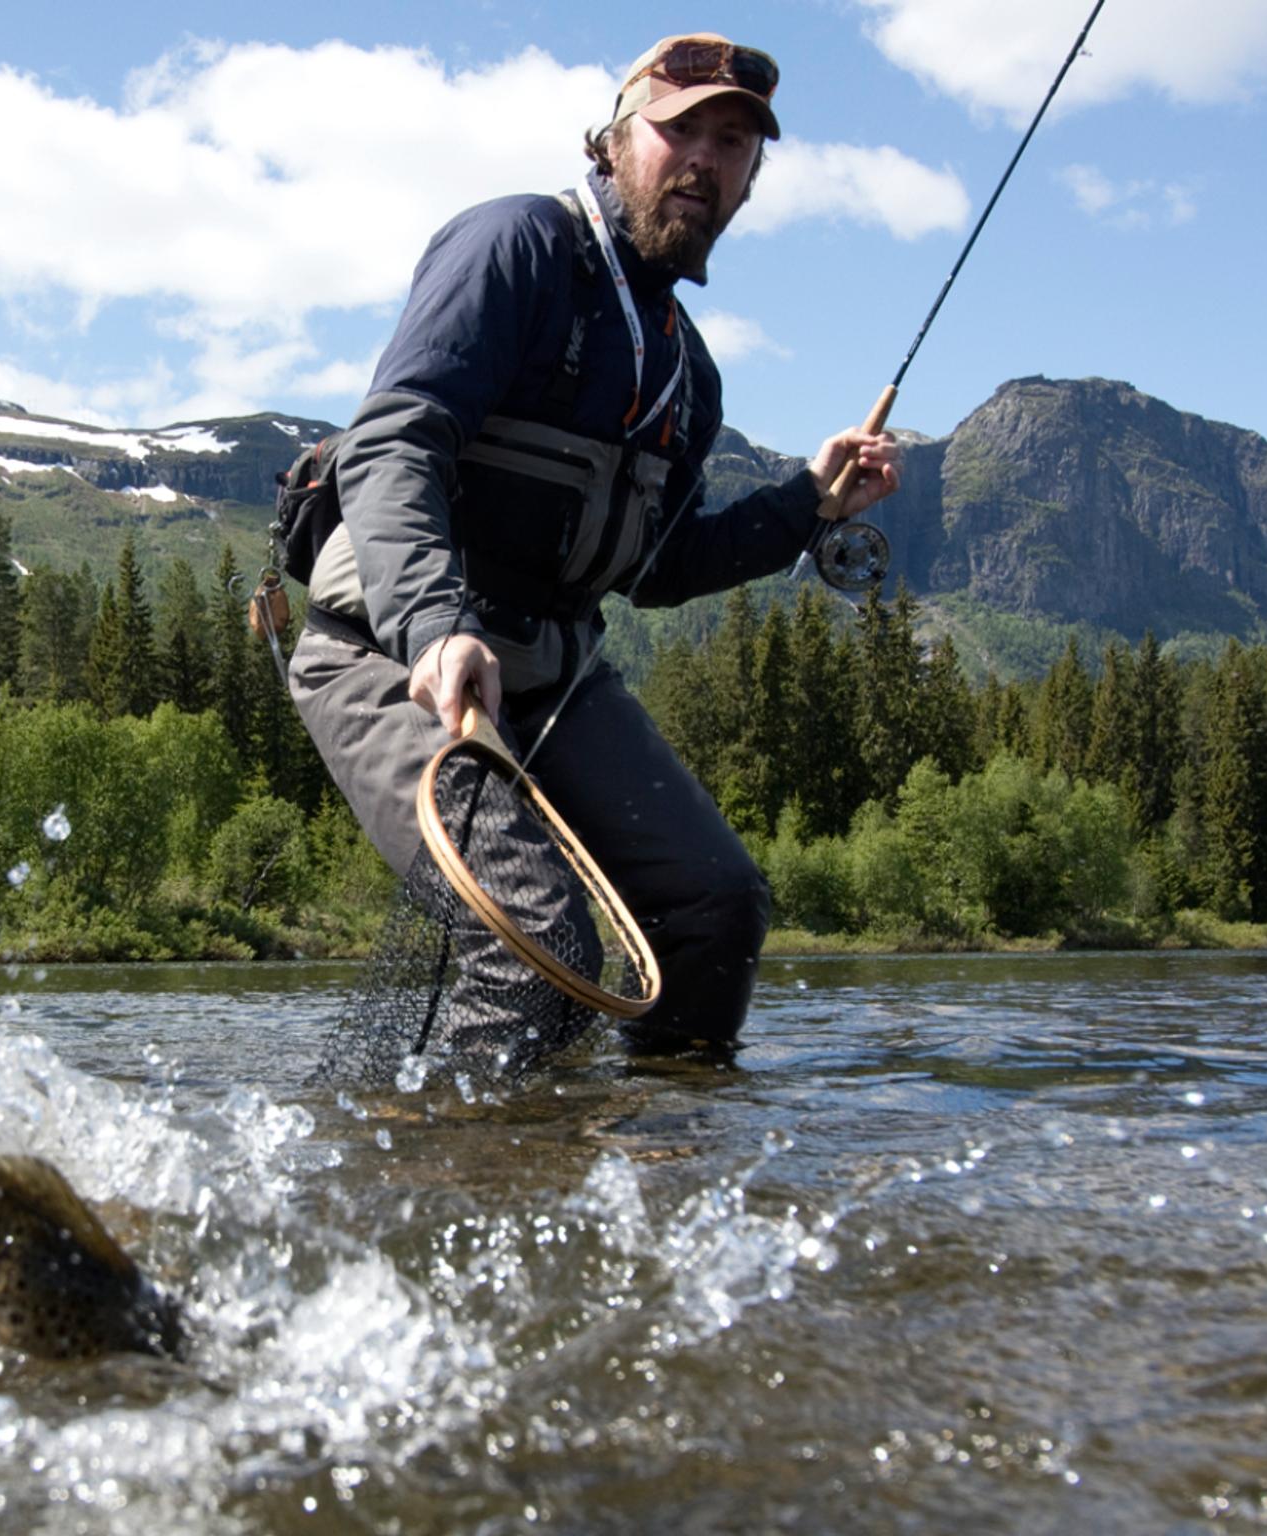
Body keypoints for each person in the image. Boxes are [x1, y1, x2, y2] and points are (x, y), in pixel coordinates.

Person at [289, 32, 901, 1057]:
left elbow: (657, 571)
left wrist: (805, 505)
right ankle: (466, 1194)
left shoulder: (689, 377)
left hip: (553, 679)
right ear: (614, 141)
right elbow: (396, 439)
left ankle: (649, 1172)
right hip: (387, 652)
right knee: (536, 940)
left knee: (716, 905)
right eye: (680, 132)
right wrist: (436, 629)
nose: (706, 160)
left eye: (735, 143)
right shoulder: (517, 245)